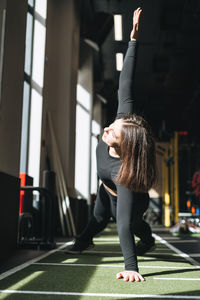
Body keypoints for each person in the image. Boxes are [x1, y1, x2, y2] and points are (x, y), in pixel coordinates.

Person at [66, 7, 157, 282]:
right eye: (112, 125)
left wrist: (132, 267)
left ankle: (149, 239)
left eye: (112, 133)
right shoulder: (124, 121)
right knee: (98, 216)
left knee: (127, 221)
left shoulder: (124, 176)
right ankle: (83, 241)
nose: (106, 129)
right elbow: (126, 80)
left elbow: (124, 227)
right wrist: (133, 40)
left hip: (125, 195)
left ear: (125, 147)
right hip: (105, 187)